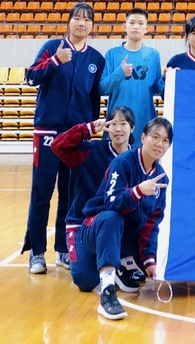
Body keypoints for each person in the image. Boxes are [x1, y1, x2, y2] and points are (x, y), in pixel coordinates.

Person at [22, 2, 104, 275]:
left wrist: (89, 129)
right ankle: (36, 252)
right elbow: (31, 77)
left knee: (69, 195)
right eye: (77, 18)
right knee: (42, 193)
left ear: (92, 26)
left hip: (75, 136)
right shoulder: (51, 47)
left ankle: (63, 250)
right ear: (69, 22)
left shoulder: (96, 59)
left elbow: (93, 99)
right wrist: (55, 61)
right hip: (47, 132)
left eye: (87, 19)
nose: (82, 23)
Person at [78, 117, 173, 321]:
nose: (159, 144)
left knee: (148, 269)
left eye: (165, 140)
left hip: (126, 236)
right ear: (143, 137)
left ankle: (121, 265)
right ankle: (107, 293)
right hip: (97, 226)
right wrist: (138, 191)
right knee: (85, 281)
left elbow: (152, 223)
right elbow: (111, 203)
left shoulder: (161, 178)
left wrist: (149, 259)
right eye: (155, 137)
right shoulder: (122, 163)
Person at [50, 106, 144, 292]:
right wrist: (89, 128)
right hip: (83, 224)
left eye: (123, 124)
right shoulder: (91, 151)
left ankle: (121, 262)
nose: (118, 129)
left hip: (118, 226)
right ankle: (109, 263)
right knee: (85, 280)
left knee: (146, 264)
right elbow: (57, 146)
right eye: (113, 123)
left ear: (132, 128)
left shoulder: (138, 159)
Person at [99, 8, 164, 138]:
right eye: (132, 22)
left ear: (147, 28)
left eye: (140, 23)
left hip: (145, 123)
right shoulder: (112, 54)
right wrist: (119, 73)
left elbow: (158, 88)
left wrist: (168, 78)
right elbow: (102, 89)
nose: (136, 27)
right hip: (117, 125)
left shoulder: (153, 55)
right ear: (124, 26)